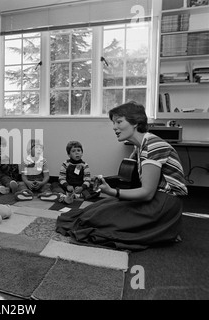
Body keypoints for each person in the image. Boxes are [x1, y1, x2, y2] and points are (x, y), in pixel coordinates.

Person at [56, 101, 188, 250]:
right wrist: (105, 184)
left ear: (135, 123)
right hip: (156, 199)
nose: (114, 127)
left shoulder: (153, 146)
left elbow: (147, 193)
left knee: (97, 221)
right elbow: (128, 179)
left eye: (119, 122)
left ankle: (164, 228)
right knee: (91, 212)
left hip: (163, 203)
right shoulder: (139, 147)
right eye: (114, 123)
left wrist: (112, 192)